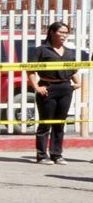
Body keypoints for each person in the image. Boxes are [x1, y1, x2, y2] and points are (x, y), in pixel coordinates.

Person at [28, 21, 77, 164]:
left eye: (66, 33)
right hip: (48, 88)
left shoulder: (69, 52)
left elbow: (73, 70)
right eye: (61, 32)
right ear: (52, 32)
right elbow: (30, 70)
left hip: (65, 88)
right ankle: (42, 155)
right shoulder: (42, 50)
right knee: (45, 122)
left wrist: (78, 83)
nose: (64, 35)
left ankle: (57, 154)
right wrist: (36, 87)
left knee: (60, 123)